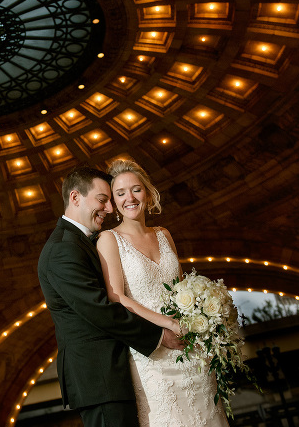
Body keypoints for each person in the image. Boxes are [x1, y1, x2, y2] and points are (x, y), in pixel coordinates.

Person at [37, 166, 184, 427]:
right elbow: (100, 309)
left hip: (120, 374)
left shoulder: (82, 241)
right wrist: (160, 333)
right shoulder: (62, 248)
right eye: (102, 200)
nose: (108, 209)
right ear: (75, 198)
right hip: (100, 378)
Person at [97, 159, 229, 426]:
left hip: (190, 348)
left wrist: (200, 324)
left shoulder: (164, 234)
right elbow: (116, 297)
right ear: (113, 202)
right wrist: (167, 324)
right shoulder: (109, 239)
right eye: (120, 193)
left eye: (136, 189)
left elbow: (182, 287)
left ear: (147, 192)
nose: (129, 198)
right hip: (152, 354)